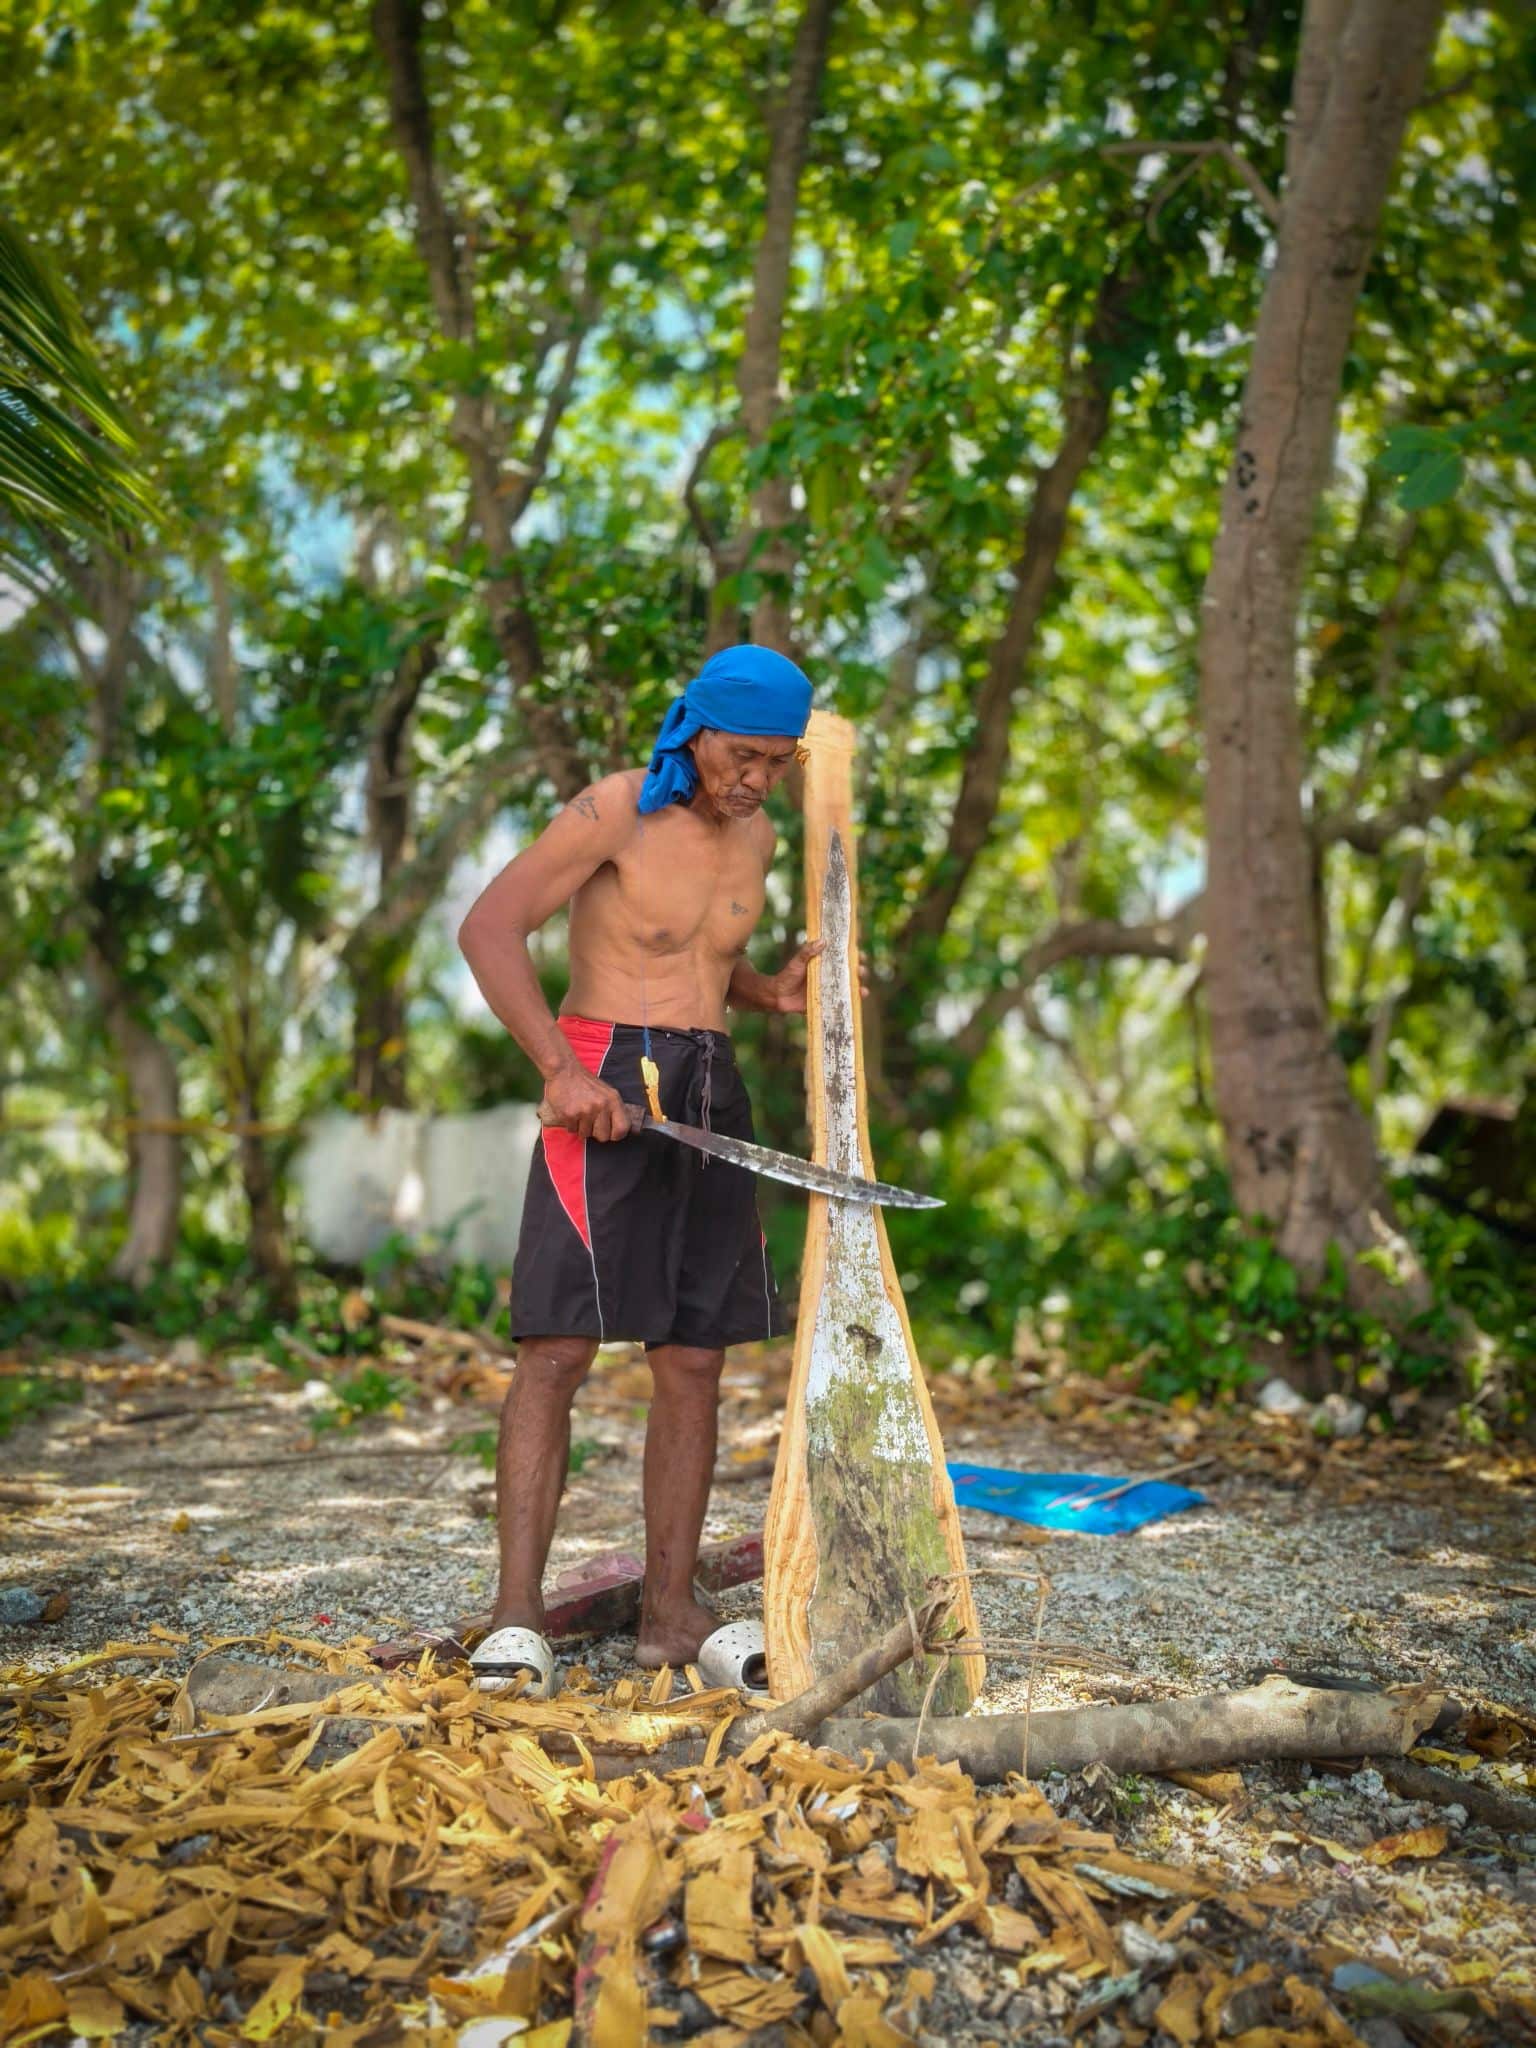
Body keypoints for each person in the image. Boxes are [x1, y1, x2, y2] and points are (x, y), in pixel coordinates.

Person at [457, 643, 818, 1693]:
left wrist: (769, 993)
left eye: (776, 763)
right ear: (695, 729)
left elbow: (704, 958)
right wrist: (561, 1071)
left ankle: (670, 1612)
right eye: (741, 756)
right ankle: (515, 1615)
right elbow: (490, 928)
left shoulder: (761, 834)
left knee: (694, 1357)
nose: (754, 780)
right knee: (558, 1346)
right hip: (604, 1071)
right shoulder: (612, 809)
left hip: (710, 1084)